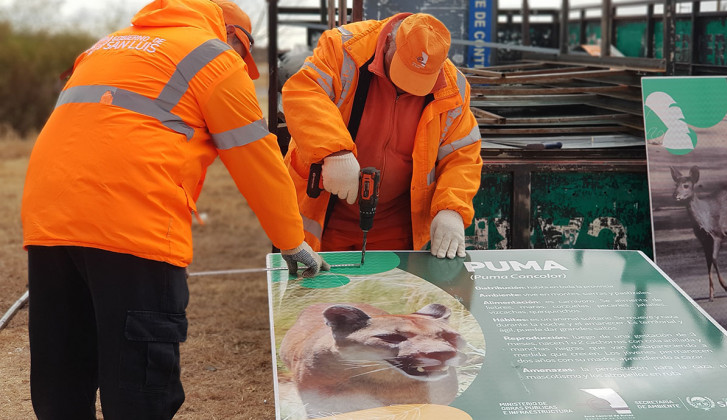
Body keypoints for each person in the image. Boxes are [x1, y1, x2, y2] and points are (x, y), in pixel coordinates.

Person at [20, 0, 328, 418]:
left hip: (48, 220)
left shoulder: (108, 45)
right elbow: (258, 160)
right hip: (133, 225)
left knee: (63, 375)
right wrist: (292, 242)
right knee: (140, 388)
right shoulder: (213, 56)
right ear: (234, 37)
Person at [281, 12, 483, 260]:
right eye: (404, 73)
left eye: (419, 82)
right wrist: (335, 152)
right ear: (388, 42)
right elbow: (304, 93)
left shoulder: (453, 90)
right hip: (324, 217)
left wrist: (451, 209)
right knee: (320, 296)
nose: (405, 88)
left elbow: (462, 156)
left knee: (389, 296)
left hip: (395, 226)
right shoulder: (343, 49)